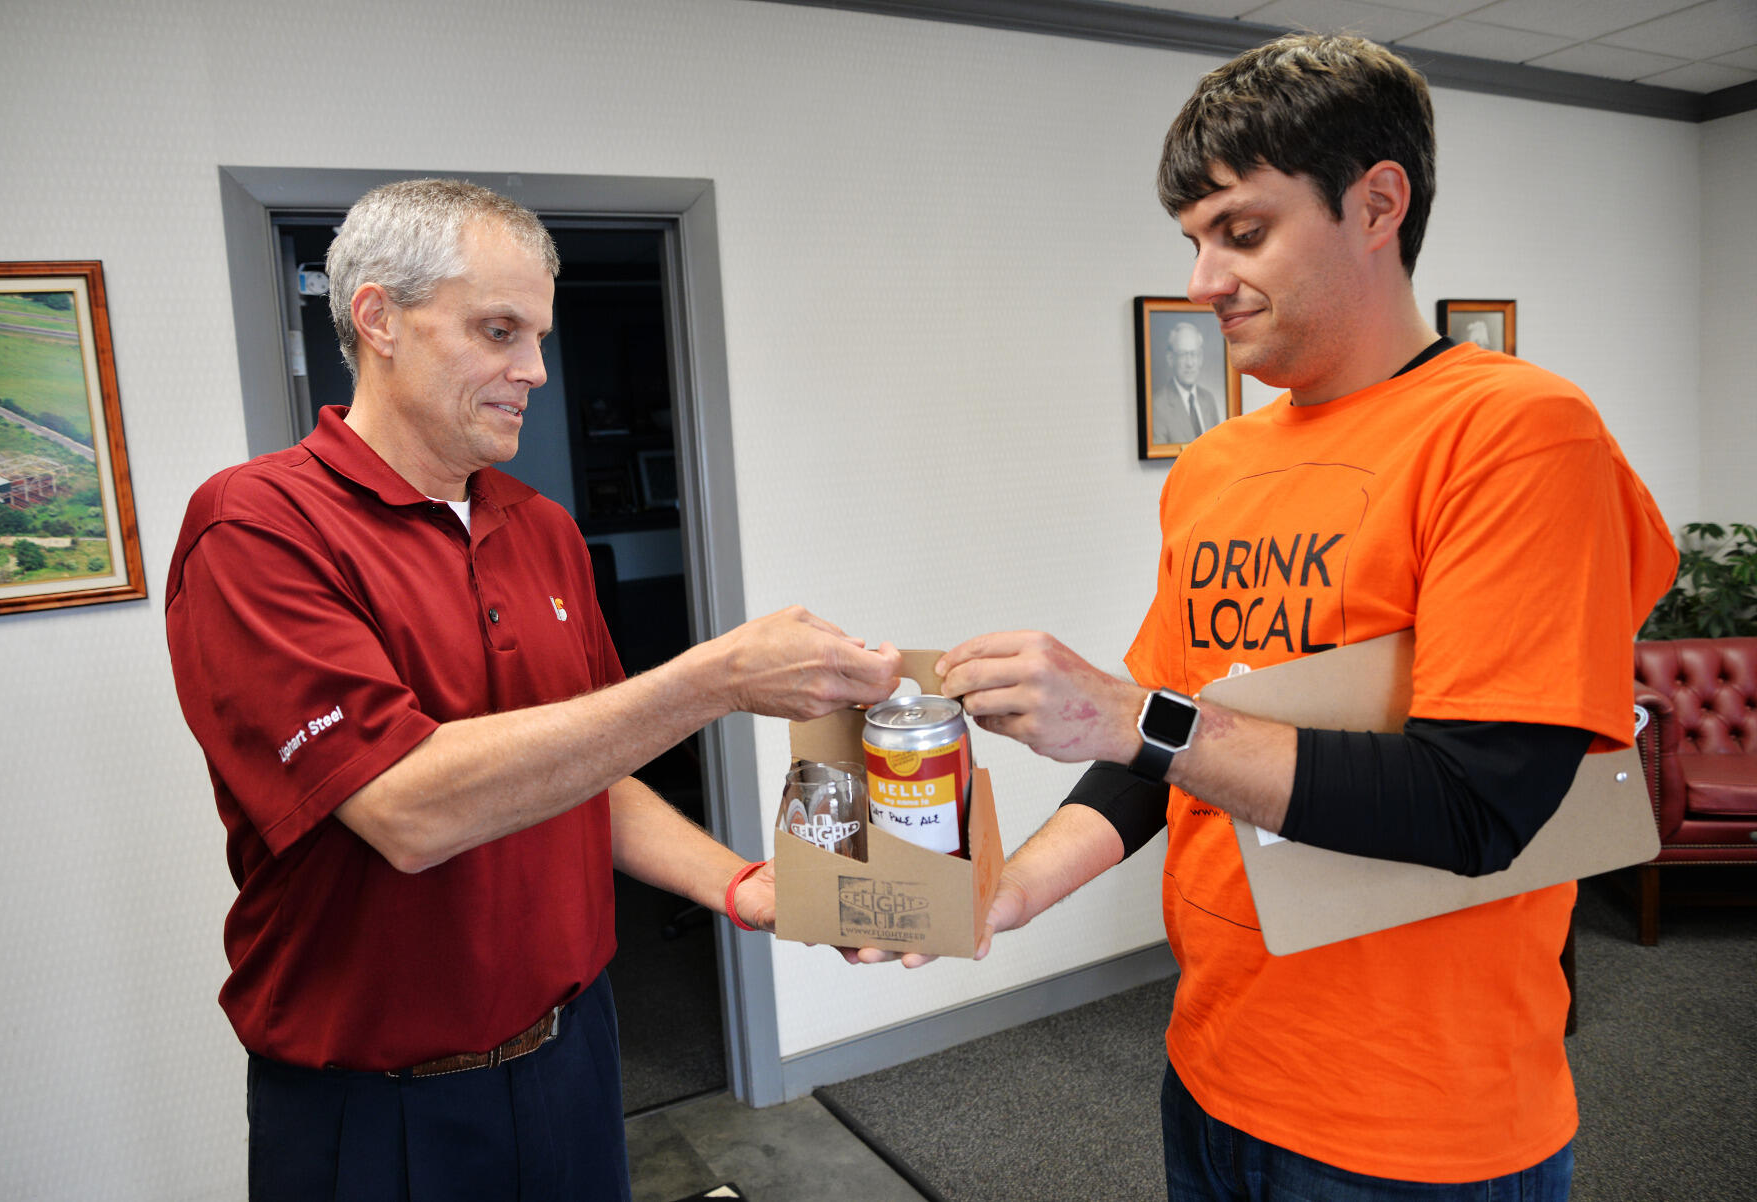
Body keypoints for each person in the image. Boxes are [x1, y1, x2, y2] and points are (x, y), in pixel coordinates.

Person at [925, 34, 1677, 1201]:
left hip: (1419, 1124)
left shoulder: (1517, 431)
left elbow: (1480, 803)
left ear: (1377, 204)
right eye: (1193, 240)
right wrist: (1013, 890)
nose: (1202, 281)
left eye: (1242, 231)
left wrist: (1134, 719)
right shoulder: (1213, 466)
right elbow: (1165, 742)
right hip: (1215, 1067)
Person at [165, 178, 903, 1201]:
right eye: (499, 331)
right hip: (377, 1107)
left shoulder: (543, 528)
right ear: (378, 318)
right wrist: (718, 677)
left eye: (539, 337)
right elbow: (408, 810)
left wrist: (739, 883)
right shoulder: (257, 529)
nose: (536, 371)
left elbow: (590, 771)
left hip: (573, 1060)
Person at [1148, 318, 1222, 443]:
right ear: (1170, 358)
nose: (1190, 363)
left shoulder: (1208, 399)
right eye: (1183, 354)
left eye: (1194, 354)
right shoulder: (1158, 406)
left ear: (1200, 358)